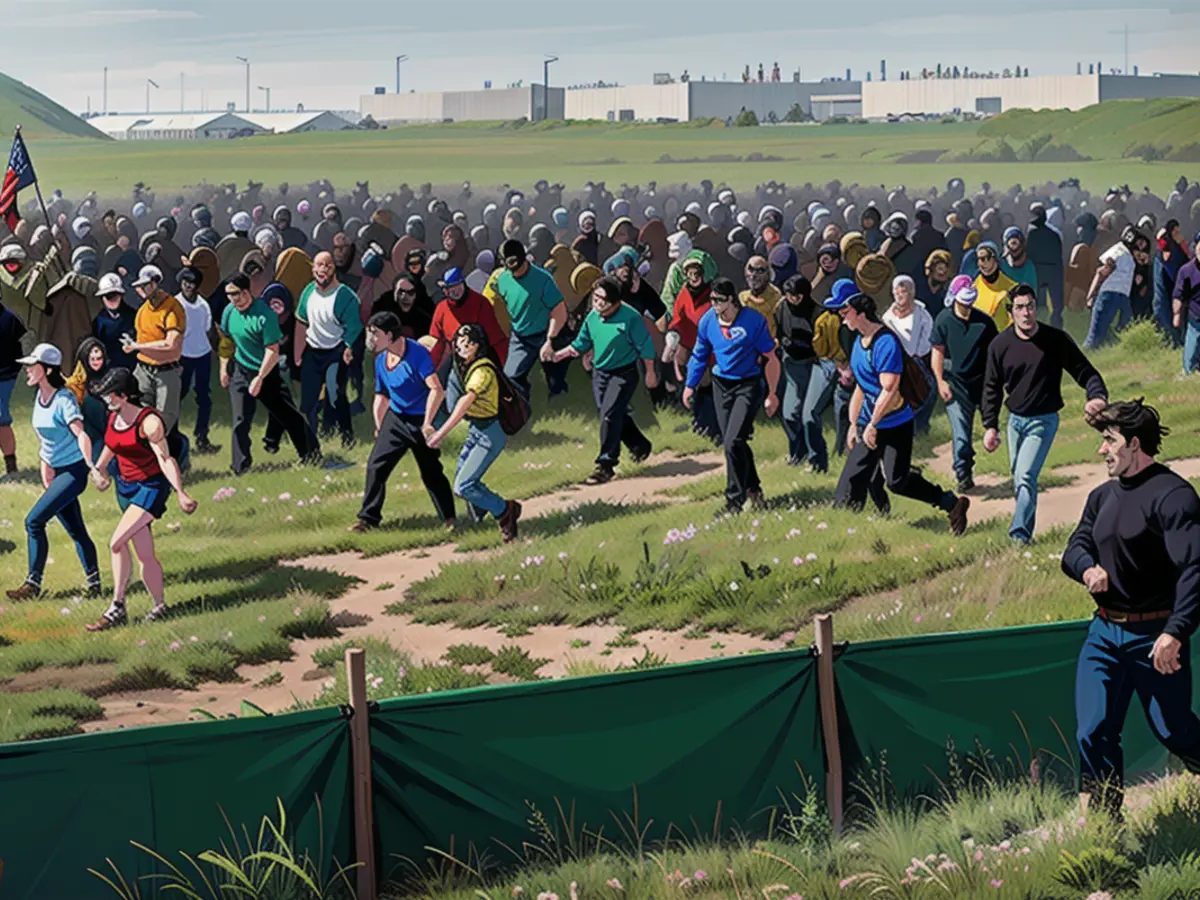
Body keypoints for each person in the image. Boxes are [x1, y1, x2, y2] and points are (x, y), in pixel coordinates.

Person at [1062, 399, 1200, 819]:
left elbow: (1195, 568)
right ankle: (1107, 823)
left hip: (1155, 635)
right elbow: (1076, 546)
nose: (1101, 450)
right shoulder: (1100, 496)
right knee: (1093, 730)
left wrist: (1175, 633)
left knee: (1172, 730)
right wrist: (1087, 570)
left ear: (1134, 444)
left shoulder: (1174, 496)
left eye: (1109, 441)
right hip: (1103, 635)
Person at [828, 286, 970, 533]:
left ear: (860, 310)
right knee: (851, 482)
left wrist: (872, 425)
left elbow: (890, 389)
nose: (840, 315)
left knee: (897, 482)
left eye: (844, 309)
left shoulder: (885, 342)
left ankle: (951, 503)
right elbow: (861, 387)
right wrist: (854, 424)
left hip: (894, 424)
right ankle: (847, 532)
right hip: (870, 422)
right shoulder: (857, 342)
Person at [982, 284, 1109, 544]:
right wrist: (990, 426)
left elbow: (1086, 371)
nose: (1026, 313)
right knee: (1019, 478)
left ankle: (1019, 537)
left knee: (1026, 475)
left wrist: (1096, 396)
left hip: (1043, 420)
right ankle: (1024, 524)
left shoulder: (1055, 340)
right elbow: (991, 388)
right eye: (1020, 308)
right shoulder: (1000, 345)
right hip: (1014, 422)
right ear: (1011, 312)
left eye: (1030, 306)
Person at [86, 367, 198, 631]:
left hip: (150, 487)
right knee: (145, 554)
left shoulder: (149, 423)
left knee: (116, 542)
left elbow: (165, 459)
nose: (106, 399)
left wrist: (180, 492)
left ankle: (117, 606)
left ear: (125, 395)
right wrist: (99, 471)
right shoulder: (113, 418)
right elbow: (112, 447)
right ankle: (159, 605)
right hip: (126, 489)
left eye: (110, 395)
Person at [5, 343, 101, 600]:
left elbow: (81, 434)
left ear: (46, 370)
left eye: (31, 366)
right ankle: (95, 585)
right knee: (76, 530)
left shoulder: (64, 400)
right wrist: (45, 470)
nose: (26, 370)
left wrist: (92, 467)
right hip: (56, 473)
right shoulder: (40, 397)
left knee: (33, 521)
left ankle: (32, 585)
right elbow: (47, 441)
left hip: (73, 472)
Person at [351, 311, 456, 533]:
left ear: (390, 335)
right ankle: (367, 519)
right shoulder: (381, 359)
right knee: (376, 466)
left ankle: (449, 518)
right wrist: (380, 426)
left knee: (431, 471)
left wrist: (428, 423)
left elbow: (436, 390)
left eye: (375, 334)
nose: (371, 339)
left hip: (419, 420)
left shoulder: (417, 354)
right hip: (396, 418)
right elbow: (381, 395)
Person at [683, 276, 780, 515]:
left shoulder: (753, 321)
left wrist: (773, 393)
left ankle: (733, 501)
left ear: (730, 300)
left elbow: (771, 358)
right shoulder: (708, 321)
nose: (713, 305)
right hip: (721, 384)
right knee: (733, 442)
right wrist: (690, 384)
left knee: (733, 441)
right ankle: (754, 490)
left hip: (748, 383)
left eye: (718, 300)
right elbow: (699, 355)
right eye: (711, 300)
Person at [552, 276, 657, 484]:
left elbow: (645, 346)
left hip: (624, 373)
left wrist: (651, 372)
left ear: (615, 302)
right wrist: (558, 355)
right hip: (600, 372)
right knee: (609, 412)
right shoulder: (593, 316)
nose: (597, 303)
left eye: (602, 300)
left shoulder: (630, 318)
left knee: (609, 414)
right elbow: (581, 342)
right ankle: (639, 445)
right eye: (595, 297)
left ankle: (606, 465)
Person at [426, 323, 522, 543]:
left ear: (478, 346)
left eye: (467, 344)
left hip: (490, 433)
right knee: (464, 481)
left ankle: (505, 511)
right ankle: (480, 513)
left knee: (464, 484)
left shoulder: (483, 371)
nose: (461, 348)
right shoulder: (466, 367)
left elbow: (463, 403)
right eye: (459, 344)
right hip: (477, 429)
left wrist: (440, 434)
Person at [219, 274, 319, 474]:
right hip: (241, 368)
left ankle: (311, 454)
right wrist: (223, 368)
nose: (233, 299)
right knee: (240, 418)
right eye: (229, 295)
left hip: (266, 370)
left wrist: (260, 378)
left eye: (236, 294)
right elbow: (227, 342)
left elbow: (272, 351)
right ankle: (240, 467)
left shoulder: (265, 315)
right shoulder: (229, 312)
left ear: (247, 292)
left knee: (287, 414)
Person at [931, 275, 998, 493]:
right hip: (956, 385)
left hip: (983, 383)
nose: (967, 306)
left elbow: (995, 355)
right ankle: (963, 474)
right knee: (961, 434)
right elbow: (937, 354)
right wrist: (940, 381)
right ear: (953, 299)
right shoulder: (943, 320)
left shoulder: (985, 323)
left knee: (991, 427)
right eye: (963, 302)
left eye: (970, 301)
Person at [295, 250, 363, 448]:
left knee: (335, 395)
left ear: (334, 269)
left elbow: (355, 326)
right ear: (313, 268)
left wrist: (349, 348)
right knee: (308, 401)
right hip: (313, 350)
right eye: (319, 265)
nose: (323, 269)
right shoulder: (307, 292)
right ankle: (310, 444)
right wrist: (298, 353)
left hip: (336, 351)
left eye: (328, 265)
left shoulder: (345, 295)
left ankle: (347, 436)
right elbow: (301, 321)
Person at [488, 239, 568, 405]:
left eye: (515, 264)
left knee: (555, 376)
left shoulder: (543, 279)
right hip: (520, 336)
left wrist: (550, 340)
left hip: (546, 332)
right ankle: (522, 406)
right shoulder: (502, 281)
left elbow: (559, 311)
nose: (513, 270)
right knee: (511, 376)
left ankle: (559, 399)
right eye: (507, 265)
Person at [428, 266, 508, 406]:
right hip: (455, 357)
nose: (455, 290)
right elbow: (438, 343)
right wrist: (429, 369)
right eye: (451, 287)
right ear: (445, 290)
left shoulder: (480, 303)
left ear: (464, 283)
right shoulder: (441, 308)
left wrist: (500, 367)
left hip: (479, 356)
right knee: (440, 386)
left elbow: (495, 338)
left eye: (458, 285)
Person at [126, 265, 185, 439]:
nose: (141, 290)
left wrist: (137, 347)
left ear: (155, 284)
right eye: (139, 286)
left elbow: (171, 344)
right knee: (139, 414)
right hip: (143, 370)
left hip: (165, 371)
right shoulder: (142, 311)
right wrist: (132, 345)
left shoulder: (173, 307)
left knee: (164, 420)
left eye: (145, 285)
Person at [882, 274, 936, 434]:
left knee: (928, 390)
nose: (899, 295)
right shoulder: (887, 317)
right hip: (894, 360)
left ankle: (921, 425)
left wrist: (916, 354)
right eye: (896, 291)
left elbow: (926, 337)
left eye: (903, 291)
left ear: (911, 293)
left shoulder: (922, 314)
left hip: (916, 359)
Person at [774, 274, 818, 466]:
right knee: (790, 413)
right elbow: (778, 330)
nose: (792, 299)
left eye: (796, 296)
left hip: (812, 365)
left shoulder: (817, 313)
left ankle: (813, 455)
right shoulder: (782, 307)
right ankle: (797, 452)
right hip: (790, 364)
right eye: (789, 295)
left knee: (807, 414)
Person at [175, 266, 218, 455]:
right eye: (185, 282)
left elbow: (209, 330)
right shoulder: (175, 304)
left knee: (204, 398)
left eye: (192, 283)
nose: (188, 286)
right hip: (182, 356)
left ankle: (202, 436)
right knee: (177, 396)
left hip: (202, 355)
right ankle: (171, 435)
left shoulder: (203, 305)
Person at [1085, 227, 1137, 348]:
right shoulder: (1120, 251)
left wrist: (1091, 295)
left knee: (1097, 335)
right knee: (1098, 336)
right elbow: (1102, 272)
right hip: (1116, 295)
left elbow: (1101, 273)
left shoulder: (1119, 251)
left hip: (1112, 295)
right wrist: (1091, 295)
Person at [0, 288, 27, 477]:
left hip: (5, 375)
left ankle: (11, 465)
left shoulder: (10, 318)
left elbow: (21, 347)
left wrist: (15, 370)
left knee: (1, 418)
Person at [92, 272, 137, 372]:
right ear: (102, 298)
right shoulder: (98, 321)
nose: (113, 299)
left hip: (134, 370)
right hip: (108, 371)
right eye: (108, 296)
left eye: (116, 294)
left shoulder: (133, 316)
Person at [1171, 231, 1200, 373]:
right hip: (1195, 315)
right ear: (1195, 248)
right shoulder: (1186, 270)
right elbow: (1178, 294)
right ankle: (1188, 371)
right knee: (1191, 352)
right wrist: (1176, 314)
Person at [971, 242, 1016, 331]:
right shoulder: (973, 287)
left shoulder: (1011, 288)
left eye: (984, 258)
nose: (981, 263)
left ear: (995, 259)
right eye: (979, 259)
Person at [739, 255, 782, 336]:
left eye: (760, 270)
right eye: (751, 269)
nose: (754, 275)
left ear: (768, 274)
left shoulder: (776, 297)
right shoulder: (742, 297)